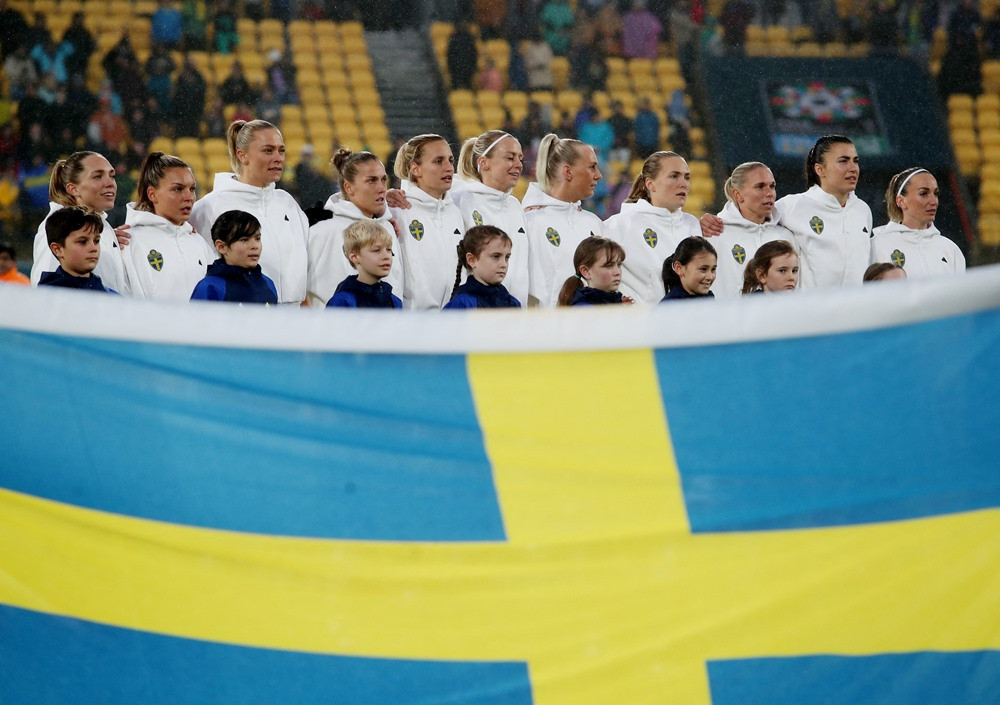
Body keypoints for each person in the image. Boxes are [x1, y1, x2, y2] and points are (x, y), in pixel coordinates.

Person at [705, 135, 872, 289]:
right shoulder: (792, 206)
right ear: (820, 169)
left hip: (858, 307)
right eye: (843, 161)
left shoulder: (863, 210)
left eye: (855, 161)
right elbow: (752, 217)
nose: (853, 168)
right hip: (815, 309)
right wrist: (709, 221)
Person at [189, 119, 308, 304]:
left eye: (281, 150)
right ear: (242, 155)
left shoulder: (288, 203)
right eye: (268, 150)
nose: (278, 158)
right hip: (240, 313)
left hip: (294, 316)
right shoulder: (210, 207)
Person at [307, 148, 402, 306]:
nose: (382, 188)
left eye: (383, 179)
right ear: (348, 187)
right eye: (372, 181)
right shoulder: (322, 229)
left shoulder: (388, 226)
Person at [604, 151, 700, 303]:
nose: (683, 183)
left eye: (686, 177)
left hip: (688, 316)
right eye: (674, 176)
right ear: (650, 184)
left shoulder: (694, 225)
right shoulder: (620, 225)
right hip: (640, 317)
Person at [29, 151, 129, 294]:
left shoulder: (102, 226)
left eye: (112, 176)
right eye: (97, 176)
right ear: (73, 189)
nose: (110, 183)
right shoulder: (57, 228)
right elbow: (47, 296)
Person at [522, 133, 604, 307]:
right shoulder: (528, 222)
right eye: (592, 167)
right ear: (568, 172)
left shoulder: (594, 223)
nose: (598, 175)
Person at [122, 152, 215, 300]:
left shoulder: (198, 243)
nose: (189, 197)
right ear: (152, 194)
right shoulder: (128, 242)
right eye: (178, 189)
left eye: (192, 189)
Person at [452, 130, 529, 305]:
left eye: (520, 158)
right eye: (510, 158)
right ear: (484, 162)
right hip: (477, 310)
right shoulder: (460, 200)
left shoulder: (516, 206)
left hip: (515, 311)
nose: (518, 165)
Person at [390, 133, 464, 309]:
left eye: (450, 160)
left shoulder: (455, 212)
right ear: (415, 169)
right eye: (438, 161)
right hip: (413, 321)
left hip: (453, 319)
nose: (449, 168)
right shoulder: (397, 210)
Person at [708, 161, 790, 298]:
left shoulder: (785, 237)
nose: (769, 193)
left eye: (772, 186)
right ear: (738, 194)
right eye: (760, 187)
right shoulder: (714, 234)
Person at [869, 168, 966, 277]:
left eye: (936, 193)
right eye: (924, 193)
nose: (933, 201)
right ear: (901, 201)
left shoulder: (950, 249)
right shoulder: (877, 247)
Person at [191, 210, 277, 304]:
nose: (255, 246)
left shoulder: (268, 284)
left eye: (257, 238)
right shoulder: (210, 288)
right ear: (221, 247)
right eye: (244, 240)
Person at [37, 206, 117, 293]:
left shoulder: (112, 297)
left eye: (96, 241)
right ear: (58, 249)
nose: (93, 248)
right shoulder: (46, 297)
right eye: (82, 242)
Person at [326, 220, 402, 309]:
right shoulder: (343, 301)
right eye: (376, 250)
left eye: (389, 250)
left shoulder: (394, 301)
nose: (386, 256)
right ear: (354, 257)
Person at [444, 225, 521, 309]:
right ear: (472, 260)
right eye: (496, 256)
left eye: (507, 257)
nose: (504, 264)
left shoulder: (513, 302)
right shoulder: (463, 303)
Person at [557, 235, 630, 306]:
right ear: (586, 271)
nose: (618, 272)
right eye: (609, 266)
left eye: (619, 265)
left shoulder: (617, 301)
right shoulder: (584, 309)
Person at [661, 236, 716, 301]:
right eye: (703, 269)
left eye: (713, 269)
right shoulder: (670, 304)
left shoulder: (709, 299)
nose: (710, 277)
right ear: (679, 268)